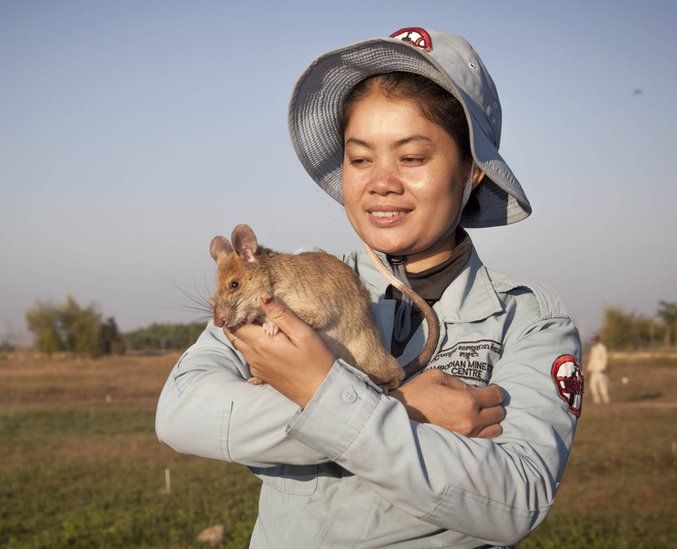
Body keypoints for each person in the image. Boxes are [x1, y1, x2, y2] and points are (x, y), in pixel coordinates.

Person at [155, 27, 583, 547]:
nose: (381, 181)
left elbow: (517, 497)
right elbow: (181, 414)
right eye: (360, 159)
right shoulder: (281, 293)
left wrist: (321, 400)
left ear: (472, 173)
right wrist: (399, 409)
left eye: (412, 157)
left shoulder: (529, 322)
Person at [587, 334, 610, 404]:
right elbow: (591, 360)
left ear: (597, 340)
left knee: (602, 385)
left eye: (594, 340)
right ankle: (597, 401)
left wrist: (603, 367)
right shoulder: (593, 349)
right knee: (592, 385)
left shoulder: (602, 347)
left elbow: (605, 358)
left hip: (600, 369)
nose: (593, 341)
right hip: (594, 370)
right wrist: (589, 368)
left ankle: (606, 400)